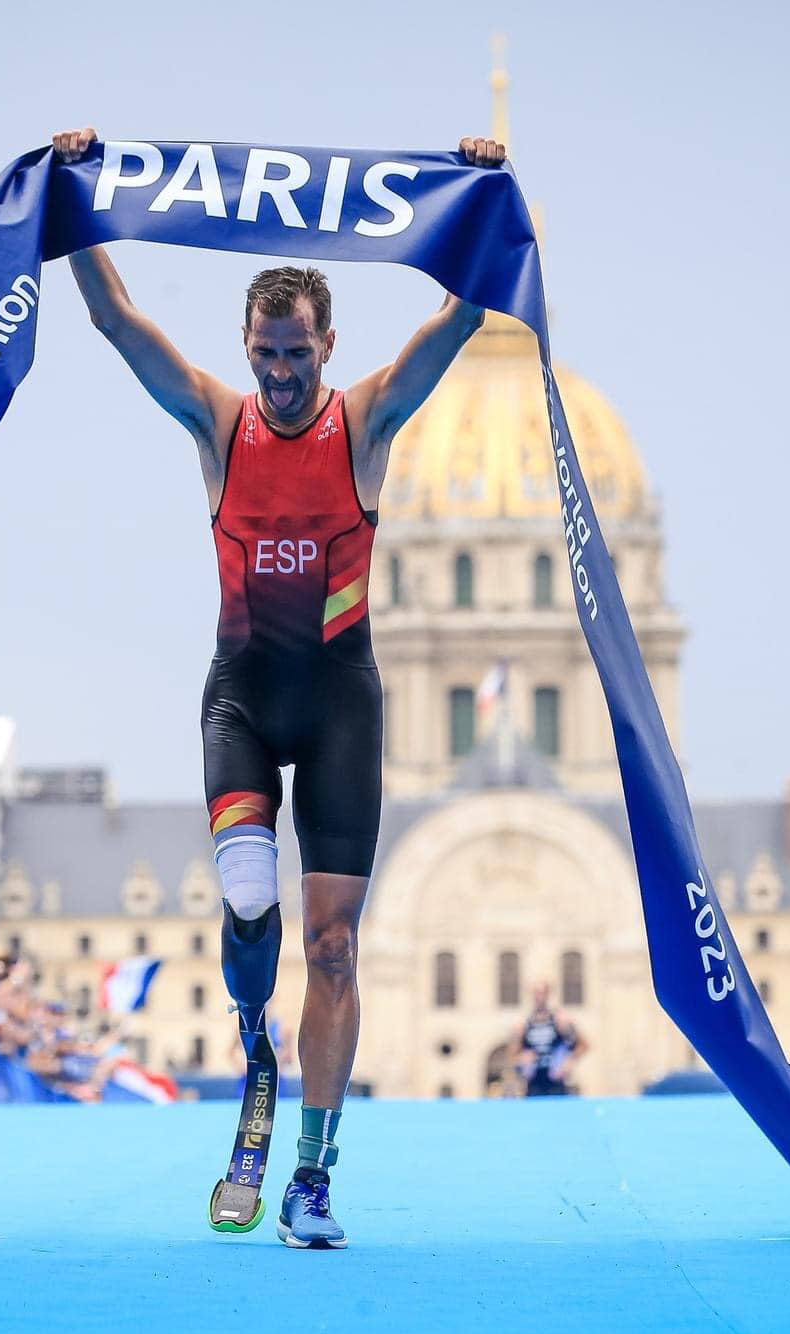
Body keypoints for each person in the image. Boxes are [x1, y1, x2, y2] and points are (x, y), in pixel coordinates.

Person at [53, 126, 507, 1249]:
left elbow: (457, 317)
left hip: (343, 700)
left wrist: (483, 195)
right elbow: (115, 322)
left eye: (296, 355)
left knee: (336, 945)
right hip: (244, 699)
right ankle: (250, 1031)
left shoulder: (368, 419)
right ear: (247, 345)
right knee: (250, 897)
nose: (281, 374)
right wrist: (71, 198)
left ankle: (310, 1173)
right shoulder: (217, 421)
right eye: (265, 355)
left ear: (326, 342)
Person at [511, 982, 587, 1097]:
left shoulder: (559, 1021)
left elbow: (583, 1045)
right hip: (534, 1084)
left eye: (542, 993)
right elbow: (512, 1055)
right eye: (536, 993)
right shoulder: (525, 1024)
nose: (539, 997)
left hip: (556, 1082)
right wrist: (522, 1058)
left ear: (547, 995)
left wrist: (569, 1061)